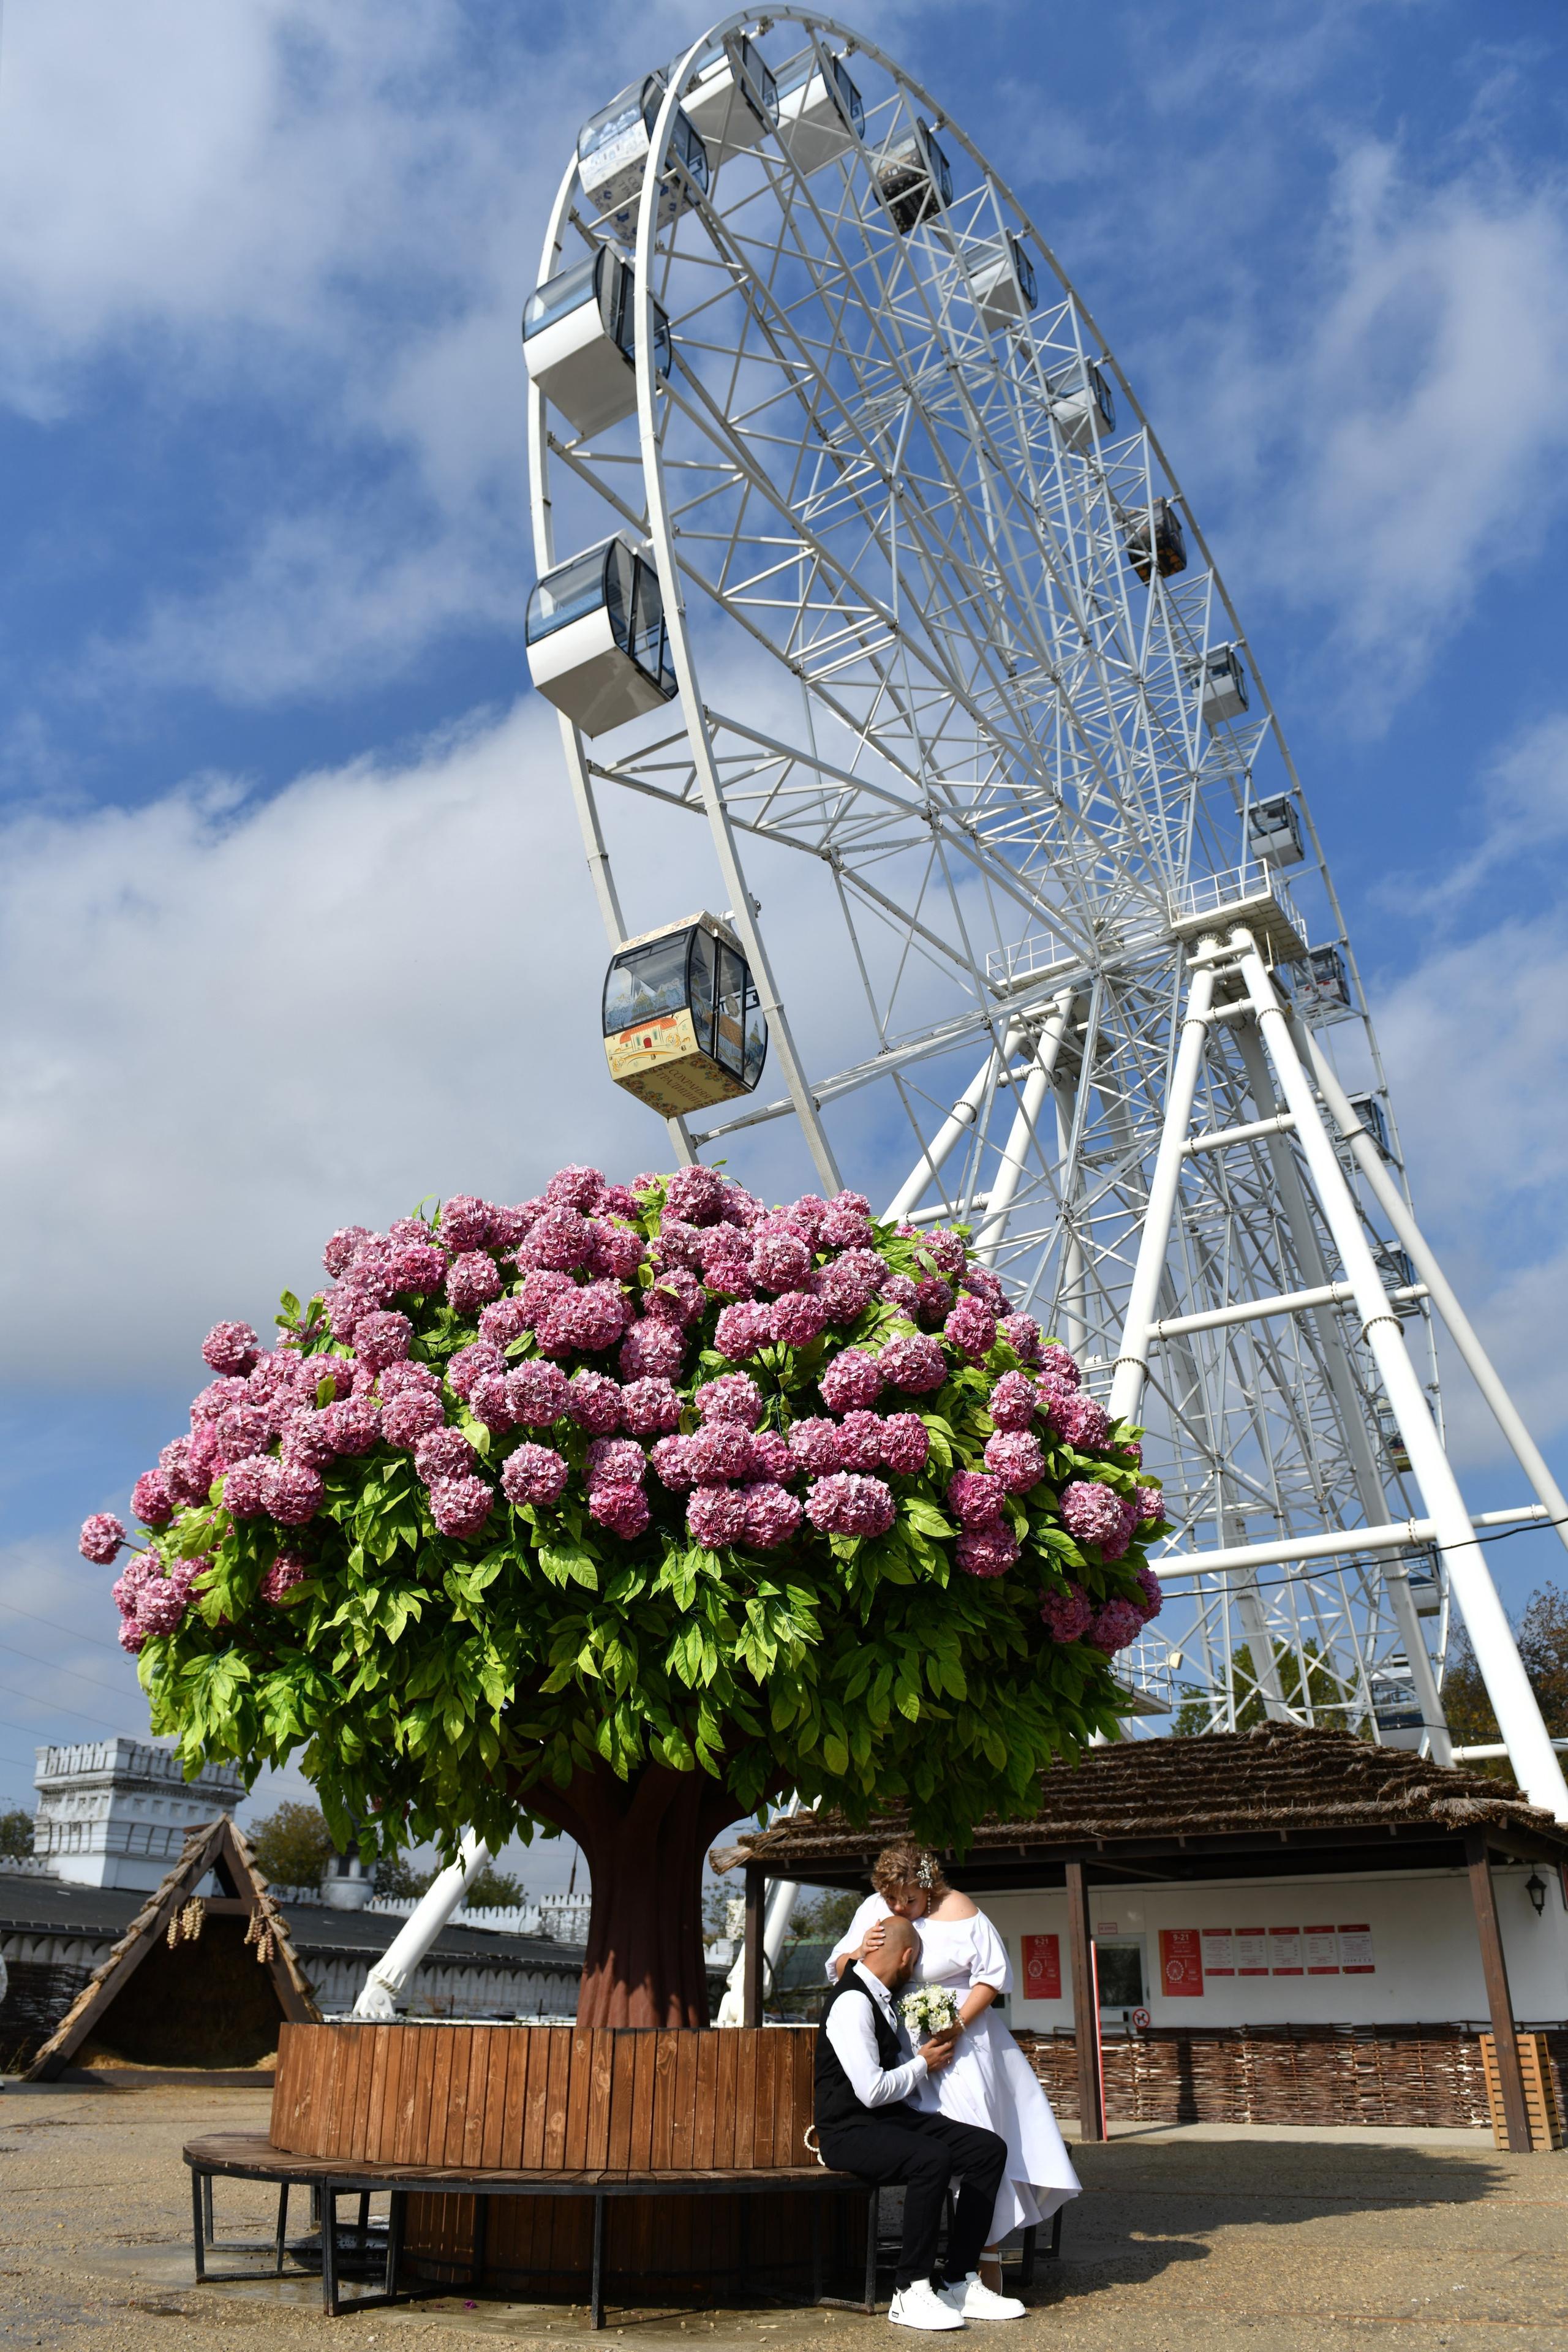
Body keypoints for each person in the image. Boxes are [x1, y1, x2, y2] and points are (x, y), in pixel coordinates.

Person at [829, 1839, 1080, 2290]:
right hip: (905, 2050)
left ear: (930, 1885)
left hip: (963, 2042)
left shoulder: (961, 1909)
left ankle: (983, 2255)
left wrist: (956, 2025)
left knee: (978, 2136)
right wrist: (859, 1948)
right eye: (892, 1899)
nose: (901, 1908)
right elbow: (843, 1970)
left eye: (911, 1898)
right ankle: (936, 2268)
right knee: (931, 2148)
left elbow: (993, 1976)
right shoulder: (873, 1912)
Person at [815, 1913, 1027, 2331]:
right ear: (908, 1957)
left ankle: (958, 2281)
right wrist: (922, 2065)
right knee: (930, 2158)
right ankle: (910, 2290)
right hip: (847, 2132)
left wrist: (920, 2059)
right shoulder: (853, 2001)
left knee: (987, 2149)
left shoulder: (880, 2000)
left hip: (889, 2122)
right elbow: (871, 2091)